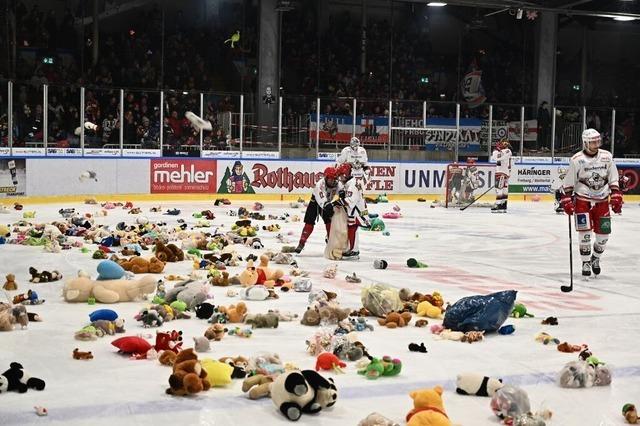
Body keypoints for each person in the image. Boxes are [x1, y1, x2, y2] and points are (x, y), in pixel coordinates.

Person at [561, 128, 622, 278]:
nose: (596, 144)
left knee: (603, 236)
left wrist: (616, 194)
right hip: (583, 201)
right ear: (586, 142)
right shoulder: (577, 159)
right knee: (585, 235)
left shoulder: (607, 157)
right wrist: (567, 199)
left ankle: (596, 258)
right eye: (593, 141)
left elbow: (613, 177)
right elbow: (569, 181)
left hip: (602, 201)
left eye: (597, 141)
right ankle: (586, 262)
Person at [295, 167, 340, 254]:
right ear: (326, 178)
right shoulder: (319, 185)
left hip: (327, 203)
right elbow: (321, 200)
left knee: (330, 223)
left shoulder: (338, 184)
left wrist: (342, 195)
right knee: (309, 222)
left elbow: (342, 192)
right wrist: (327, 205)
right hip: (315, 202)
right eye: (331, 180)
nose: (333, 182)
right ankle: (301, 243)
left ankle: (330, 242)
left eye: (335, 179)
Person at [336, 163, 368, 260]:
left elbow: (350, 201)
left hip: (358, 212)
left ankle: (354, 250)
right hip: (357, 210)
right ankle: (352, 248)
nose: (340, 177)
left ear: (345, 174)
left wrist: (338, 202)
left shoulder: (352, 185)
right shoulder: (350, 183)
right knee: (351, 228)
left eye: (341, 175)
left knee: (352, 228)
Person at [491, 138, 513, 213]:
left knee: (499, 189)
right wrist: (496, 151)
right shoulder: (501, 151)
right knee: (503, 189)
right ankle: (503, 205)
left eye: (504, 143)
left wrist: (497, 150)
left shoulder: (507, 151)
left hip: (502, 172)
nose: (503, 144)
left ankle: (498, 204)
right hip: (503, 172)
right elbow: (494, 157)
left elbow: (497, 157)